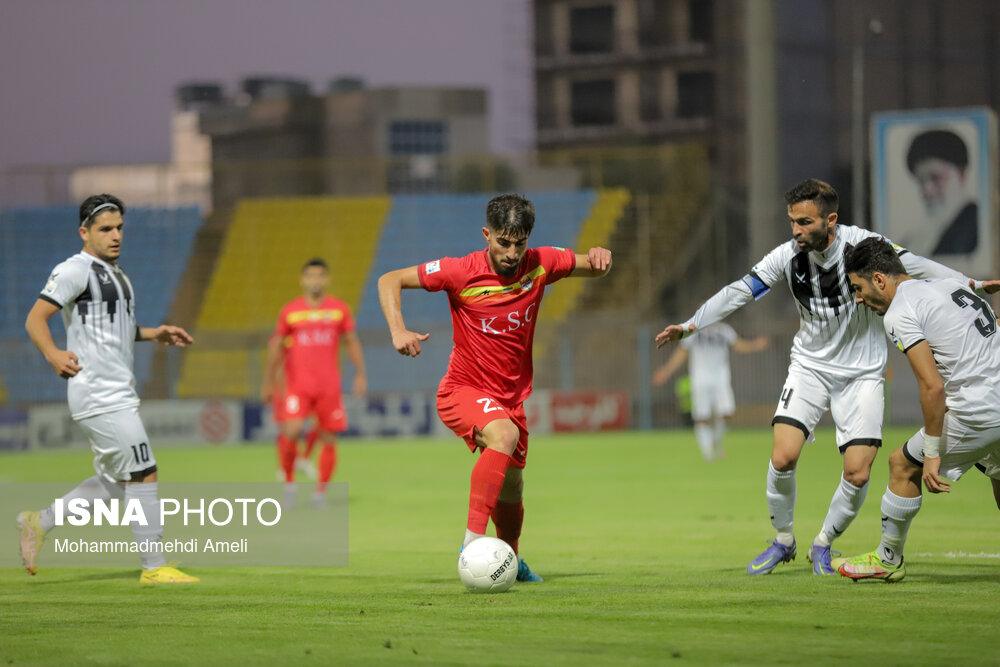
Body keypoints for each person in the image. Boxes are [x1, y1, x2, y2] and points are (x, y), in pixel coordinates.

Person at [655, 178, 978, 576]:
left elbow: (916, 264)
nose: (796, 230)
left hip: (863, 374)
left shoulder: (862, 245)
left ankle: (823, 543)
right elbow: (739, 291)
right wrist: (690, 325)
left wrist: (969, 284)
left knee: (858, 471)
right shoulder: (787, 256)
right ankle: (783, 540)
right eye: (792, 221)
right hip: (809, 367)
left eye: (805, 222)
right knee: (783, 456)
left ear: (831, 220)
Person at [377, 193, 611, 583]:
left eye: (520, 243)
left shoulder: (542, 263)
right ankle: (471, 548)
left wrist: (602, 258)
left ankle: (509, 560)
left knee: (513, 486)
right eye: (503, 242)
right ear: (487, 235)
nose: (512, 253)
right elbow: (390, 279)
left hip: (510, 400)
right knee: (504, 434)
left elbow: (593, 265)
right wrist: (397, 329)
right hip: (462, 390)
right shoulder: (459, 271)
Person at [18, 194, 198, 583]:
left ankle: (40, 522)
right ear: (84, 232)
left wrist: (155, 333)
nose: (115, 235)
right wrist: (52, 354)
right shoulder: (75, 270)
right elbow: (35, 318)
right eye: (105, 229)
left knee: (117, 483)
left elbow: (117, 331)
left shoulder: (118, 274)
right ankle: (154, 567)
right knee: (144, 472)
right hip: (97, 392)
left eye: (119, 228)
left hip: (118, 392)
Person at [838, 237, 1000, 581]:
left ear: (879, 279)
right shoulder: (949, 286)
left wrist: (932, 454)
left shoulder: (900, 311)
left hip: (979, 410)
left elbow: (932, 387)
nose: (859, 298)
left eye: (859, 288)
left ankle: (887, 559)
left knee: (902, 464)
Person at [261, 258, 366, 508]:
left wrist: (360, 373)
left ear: (327, 279)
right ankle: (289, 484)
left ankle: (320, 494)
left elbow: (351, 341)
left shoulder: (339, 309)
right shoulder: (290, 311)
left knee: (328, 437)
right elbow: (277, 348)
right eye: (310, 276)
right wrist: (269, 381)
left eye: (320, 276)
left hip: (328, 386)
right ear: (303, 280)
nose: (315, 280)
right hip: (298, 386)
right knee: (292, 430)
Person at [652, 322, 768, 460]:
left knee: (727, 412)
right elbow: (681, 353)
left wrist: (755, 345)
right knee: (702, 416)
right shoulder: (693, 332)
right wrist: (665, 371)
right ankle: (706, 451)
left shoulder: (724, 331)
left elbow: (739, 345)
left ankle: (716, 439)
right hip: (700, 378)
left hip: (721, 377)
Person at [906, 128, 979, 256]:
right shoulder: (920, 237)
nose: (927, 191)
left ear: (961, 174)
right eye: (921, 181)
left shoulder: (976, 227)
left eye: (936, 178)